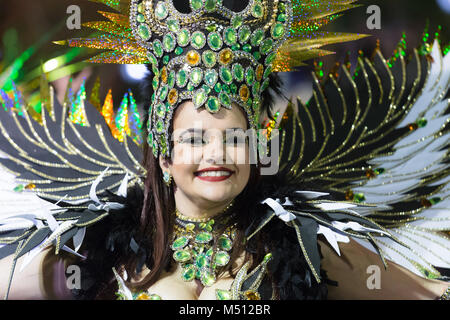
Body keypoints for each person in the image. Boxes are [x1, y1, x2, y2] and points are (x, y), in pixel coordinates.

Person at [0, 0, 449, 300]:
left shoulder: (303, 245)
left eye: (234, 138)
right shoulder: (93, 247)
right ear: (163, 150)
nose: (216, 154)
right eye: (194, 139)